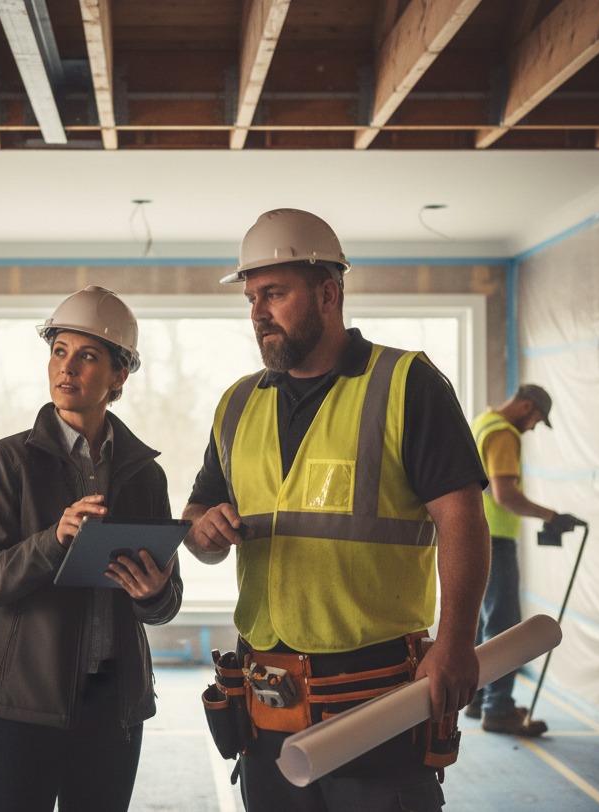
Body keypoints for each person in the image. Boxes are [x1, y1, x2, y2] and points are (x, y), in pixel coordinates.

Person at [183, 208, 491, 812]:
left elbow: (462, 519)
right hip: (266, 700)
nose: (257, 313)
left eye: (274, 293)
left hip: (376, 697)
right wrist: (204, 531)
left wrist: (456, 639)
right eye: (251, 297)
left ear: (329, 292)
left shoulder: (406, 383)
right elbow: (198, 515)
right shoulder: (237, 404)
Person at [0, 285, 183, 812]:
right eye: (59, 351)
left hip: (112, 712)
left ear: (119, 375)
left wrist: (152, 593)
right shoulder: (7, 462)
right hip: (19, 707)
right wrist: (52, 541)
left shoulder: (145, 476)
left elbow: (166, 602)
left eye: (87, 356)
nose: (67, 368)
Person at [467, 384, 582, 735]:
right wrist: (551, 516)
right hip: (496, 540)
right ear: (526, 406)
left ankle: (478, 697)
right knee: (505, 626)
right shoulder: (504, 434)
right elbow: (506, 495)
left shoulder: (483, 421)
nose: (532, 428)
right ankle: (497, 709)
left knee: (486, 622)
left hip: (475, 535)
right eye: (535, 420)